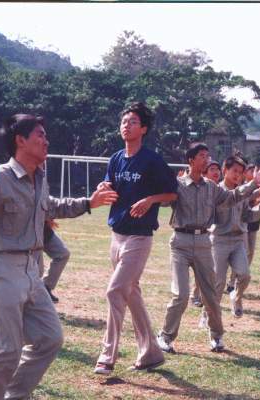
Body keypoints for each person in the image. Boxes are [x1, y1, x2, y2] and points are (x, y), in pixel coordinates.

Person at [0, 113, 117, 399]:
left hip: (32, 270)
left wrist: (89, 203)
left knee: (50, 339)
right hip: (1, 269)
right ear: (20, 140)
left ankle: (15, 395)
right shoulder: (0, 176)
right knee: (6, 351)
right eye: (40, 134)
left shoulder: (39, 177)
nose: (46, 140)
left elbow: (51, 207)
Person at [156, 142, 260, 353]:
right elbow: (161, 200)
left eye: (208, 156)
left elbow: (233, 197)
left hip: (203, 243)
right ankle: (165, 336)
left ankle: (216, 337)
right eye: (202, 156)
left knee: (211, 294)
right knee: (180, 295)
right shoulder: (178, 185)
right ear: (191, 160)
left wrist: (253, 183)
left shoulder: (212, 188)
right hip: (180, 243)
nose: (207, 160)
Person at [93, 102, 177, 375]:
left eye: (132, 122)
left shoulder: (152, 160)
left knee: (115, 290)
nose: (125, 126)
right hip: (116, 236)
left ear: (143, 128)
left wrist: (151, 199)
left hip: (139, 238)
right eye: (124, 122)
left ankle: (107, 355)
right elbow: (110, 186)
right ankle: (151, 353)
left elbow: (173, 194)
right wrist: (103, 187)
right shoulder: (116, 158)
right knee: (131, 294)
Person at [209, 156, 260, 318]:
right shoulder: (217, 191)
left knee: (245, 274)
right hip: (219, 240)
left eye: (240, 172)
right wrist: (253, 187)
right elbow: (232, 197)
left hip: (238, 240)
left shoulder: (243, 193)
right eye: (234, 171)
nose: (238, 175)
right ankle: (208, 313)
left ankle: (236, 298)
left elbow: (249, 217)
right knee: (218, 282)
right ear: (225, 170)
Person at [190, 159, 221, 307]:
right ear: (205, 172)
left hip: (218, 233)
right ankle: (195, 294)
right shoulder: (199, 188)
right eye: (212, 169)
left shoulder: (218, 189)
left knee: (209, 269)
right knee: (202, 268)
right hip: (203, 234)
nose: (216, 172)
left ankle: (202, 295)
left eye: (217, 169)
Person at [36, 221, 71, 303]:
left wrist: (48, 217)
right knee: (37, 269)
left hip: (43, 228)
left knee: (63, 253)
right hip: (27, 230)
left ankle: (45, 287)